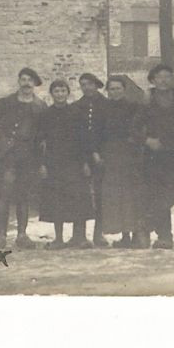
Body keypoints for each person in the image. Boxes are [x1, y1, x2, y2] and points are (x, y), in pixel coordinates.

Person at [0, 67, 47, 249]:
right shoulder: (5, 103)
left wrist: (40, 159)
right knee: (4, 194)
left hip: (28, 156)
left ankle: (22, 235)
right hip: (7, 156)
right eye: (23, 79)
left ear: (34, 84)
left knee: (23, 195)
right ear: (19, 81)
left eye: (30, 81)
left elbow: (44, 135)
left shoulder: (40, 107)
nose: (26, 83)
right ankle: (0, 235)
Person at [36, 78, 96, 248]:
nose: (60, 94)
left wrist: (85, 162)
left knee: (79, 198)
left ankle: (80, 237)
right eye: (57, 91)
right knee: (57, 200)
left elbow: (84, 139)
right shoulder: (46, 115)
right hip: (54, 163)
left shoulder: (76, 112)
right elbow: (40, 141)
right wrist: (42, 164)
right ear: (52, 94)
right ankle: (59, 239)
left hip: (75, 163)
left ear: (67, 93)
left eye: (63, 91)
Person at [97, 77, 150, 248]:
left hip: (130, 156)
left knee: (131, 195)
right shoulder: (104, 109)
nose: (115, 92)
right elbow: (101, 134)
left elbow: (139, 130)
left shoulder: (133, 107)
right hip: (111, 157)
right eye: (111, 89)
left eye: (118, 88)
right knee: (116, 197)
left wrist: (135, 144)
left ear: (124, 89)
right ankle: (125, 235)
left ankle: (137, 234)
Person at [141, 63, 174, 249]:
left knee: (171, 195)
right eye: (159, 77)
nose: (164, 80)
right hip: (154, 155)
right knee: (158, 194)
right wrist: (147, 140)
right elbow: (134, 127)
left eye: (168, 76)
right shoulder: (147, 99)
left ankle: (147, 222)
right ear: (153, 80)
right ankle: (165, 236)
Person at [72, 73, 110, 246]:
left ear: (96, 85)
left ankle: (98, 233)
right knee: (81, 195)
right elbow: (76, 135)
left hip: (102, 156)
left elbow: (108, 133)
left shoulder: (106, 105)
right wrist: (84, 159)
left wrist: (100, 153)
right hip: (81, 156)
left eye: (89, 84)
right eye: (83, 85)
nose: (86, 87)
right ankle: (79, 235)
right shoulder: (76, 107)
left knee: (101, 195)